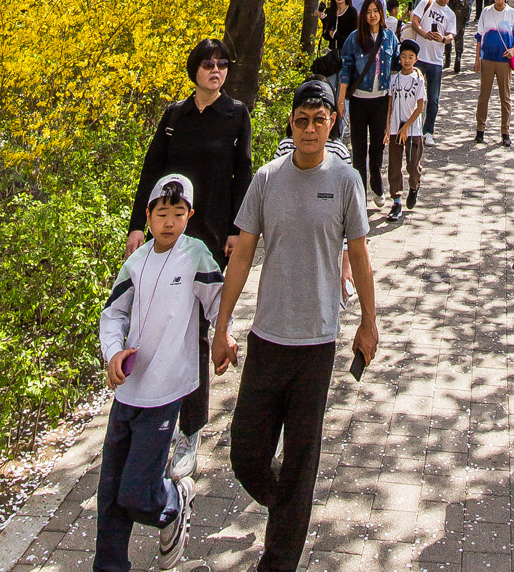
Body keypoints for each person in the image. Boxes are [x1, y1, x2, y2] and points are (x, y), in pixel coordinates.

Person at [212, 81, 377, 572]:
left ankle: (279, 558)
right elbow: (242, 254)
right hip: (267, 337)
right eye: (301, 119)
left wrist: (369, 323)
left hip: (318, 340)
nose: (309, 128)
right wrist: (222, 326)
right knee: (246, 454)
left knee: (303, 457)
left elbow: (361, 257)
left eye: (319, 119)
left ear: (331, 123)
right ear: (291, 124)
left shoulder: (346, 181)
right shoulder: (266, 179)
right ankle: (286, 505)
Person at [125, 38, 252, 477]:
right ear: (194, 70)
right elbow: (152, 167)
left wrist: (238, 230)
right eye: (207, 64)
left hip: (211, 236)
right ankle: (154, 412)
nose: (215, 70)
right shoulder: (175, 116)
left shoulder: (236, 114)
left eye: (222, 65)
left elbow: (243, 174)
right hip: (166, 235)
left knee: (197, 331)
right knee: (160, 325)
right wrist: (137, 225)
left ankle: (190, 429)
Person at [96, 174, 222, 572]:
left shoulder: (196, 254)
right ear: (147, 216)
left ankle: (174, 502)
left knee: (136, 491)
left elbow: (219, 301)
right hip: (127, 389)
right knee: (110, 493)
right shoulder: (136, 261)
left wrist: (226, 336)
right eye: (161, 214)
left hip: (167, 389)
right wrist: (113, 353)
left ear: (190, 215)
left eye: (178, 214)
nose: (169, 222)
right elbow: (113, 313)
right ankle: (109, 566)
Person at [337, 0, 398, 200]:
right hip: (359, 100)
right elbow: (345, 69)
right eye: (369, 12)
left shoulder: (390, 37)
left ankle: (377, 183)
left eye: (376, 11)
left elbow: (397, 65)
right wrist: (341, 99)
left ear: (381, 13)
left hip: (381, 99)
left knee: (378, 146)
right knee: (359, 147)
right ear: (363, 15)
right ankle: (360, 193)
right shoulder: (354, 38)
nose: (372, 16)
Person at [474, 0, 514, 146]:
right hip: (487, 58)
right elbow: (479, 37)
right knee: (484, 96)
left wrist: (513, 49)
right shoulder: (486, 12)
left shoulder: (511, 13)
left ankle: (505, 132)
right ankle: (480, 130)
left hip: (503, 60)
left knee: (505, 97)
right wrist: (477, 59)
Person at [409, 0, 457, 140]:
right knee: (413, 94)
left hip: (436, 60)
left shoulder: (450, 14)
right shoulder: (426, 3)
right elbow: (414, 21)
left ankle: (428, 131)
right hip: (419, 57)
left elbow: (451, 35)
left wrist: (443, 39)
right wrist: (424, 33)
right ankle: (411, 126)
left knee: (433, 99)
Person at [386, 35, 425, 219]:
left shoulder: (418, 79)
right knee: (394, 165)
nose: (407, 60)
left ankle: (414, 186)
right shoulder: (394, 80)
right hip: (395, 127)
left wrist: (406, 127)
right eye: (404, 56)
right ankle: (396, 200)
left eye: (411, 57)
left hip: (413, 129)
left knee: (412, 165)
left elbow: (420, 107)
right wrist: (388, 127)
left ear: (416, 59)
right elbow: (390, 104)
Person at [444, 0, 471, 72]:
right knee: (459, 35)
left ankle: (448, 58)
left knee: (448, 33)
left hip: (449, 10)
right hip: (461, 10)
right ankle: (458, 57)